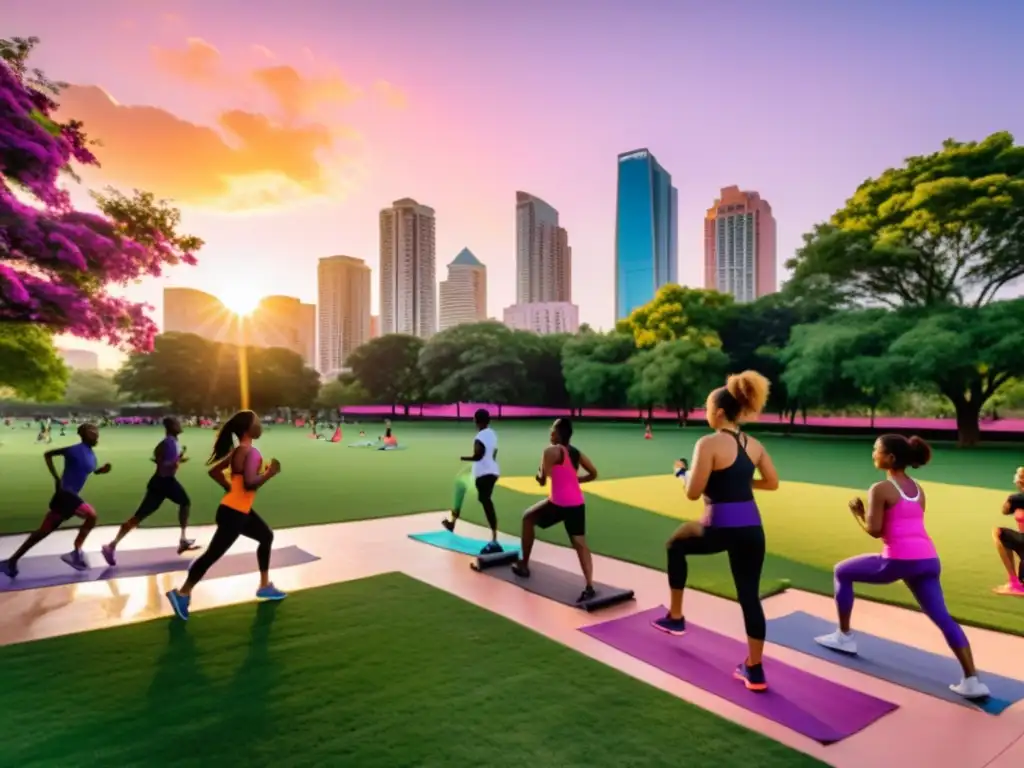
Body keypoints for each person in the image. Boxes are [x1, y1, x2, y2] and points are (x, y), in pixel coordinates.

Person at [815, 434, 990, 699]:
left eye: (877, 450)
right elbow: (904, 526)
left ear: (891, 458)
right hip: (928, 560)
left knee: (842, 571)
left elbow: (875, 530)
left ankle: (845, 636)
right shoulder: (918, 490)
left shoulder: (880, 489)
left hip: (897, 561)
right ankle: (972, 681)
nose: (873, 453)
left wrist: (858, 513)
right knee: (943, 618)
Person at [653, 371, 779, 694]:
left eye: (706, 407)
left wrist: (682, 472)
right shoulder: (755, 445)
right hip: (752, 529)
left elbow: (692, 493)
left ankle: (676, 617)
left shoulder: (707, 443)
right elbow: (772, 483)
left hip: (719, 526)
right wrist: (739, 482)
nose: (705, 413)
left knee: (673, 546)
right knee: (749, 596)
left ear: (719, 412)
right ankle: (755, 669)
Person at [165, 410, 286, 621]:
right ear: (249, 428)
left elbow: (215, 472)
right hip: (235, 513)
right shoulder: (251, 452)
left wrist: (230, 488)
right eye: (258, 422)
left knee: (266, 536)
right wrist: (270, 473)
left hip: (236, 509)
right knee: (212, 554)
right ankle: (182, 593)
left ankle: (265, 585)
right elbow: (250, 483)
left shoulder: (239, 450)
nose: (261, 425)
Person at [1, 424, 112, 577]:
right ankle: (76, 552)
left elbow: (90, 470)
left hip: (66, 498)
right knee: (91, 515)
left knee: (43, 532)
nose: (96, 435)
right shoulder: (73, 450)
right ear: (83, 435)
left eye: (96, 433)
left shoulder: (91, 455)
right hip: (65, 494)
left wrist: (101, 471)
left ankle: (11, 561)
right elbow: (48, 454)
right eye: (92, 433)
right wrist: (56, 477)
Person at [511, 418, 599, 603]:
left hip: (558, 504)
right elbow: (593, 473)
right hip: (576, 503)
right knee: (580, 544)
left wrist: (540, 473)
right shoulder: (575, 452)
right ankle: (590, 586)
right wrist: (576, 481)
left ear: (558, 434)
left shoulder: (550, 451)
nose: (550, 433)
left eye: (552, 431)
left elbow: (543, 479)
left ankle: (524, 565)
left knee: (527, 518)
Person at [102, 417, 199, 565]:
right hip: (164, 482)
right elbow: (164, 463)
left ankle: (112, 545)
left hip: (161, 482)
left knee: (143, 515)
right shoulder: (169, 443)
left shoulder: (170, 442)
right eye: (177, 423)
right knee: (183, 503)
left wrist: (177, 460)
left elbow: (160, 458)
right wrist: (175, 461)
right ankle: (183, 540)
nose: (180, 425)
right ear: (172, 426)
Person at [442, 408, 502, 554]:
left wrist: (462, 458)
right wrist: (488, 463)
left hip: (483, 474)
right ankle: (452, 523)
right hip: (492, 471)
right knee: (461, 485)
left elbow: (478, 456)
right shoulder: (492, 434)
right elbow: (494, 452)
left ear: (476, 421)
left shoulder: (480, 436)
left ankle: (494, 538)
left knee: (485, 500)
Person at [992, 467, 1024, 595]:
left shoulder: (1016, 499)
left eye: (1018, 476)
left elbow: (1005, 510)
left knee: (998, 532)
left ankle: (1015, 583)